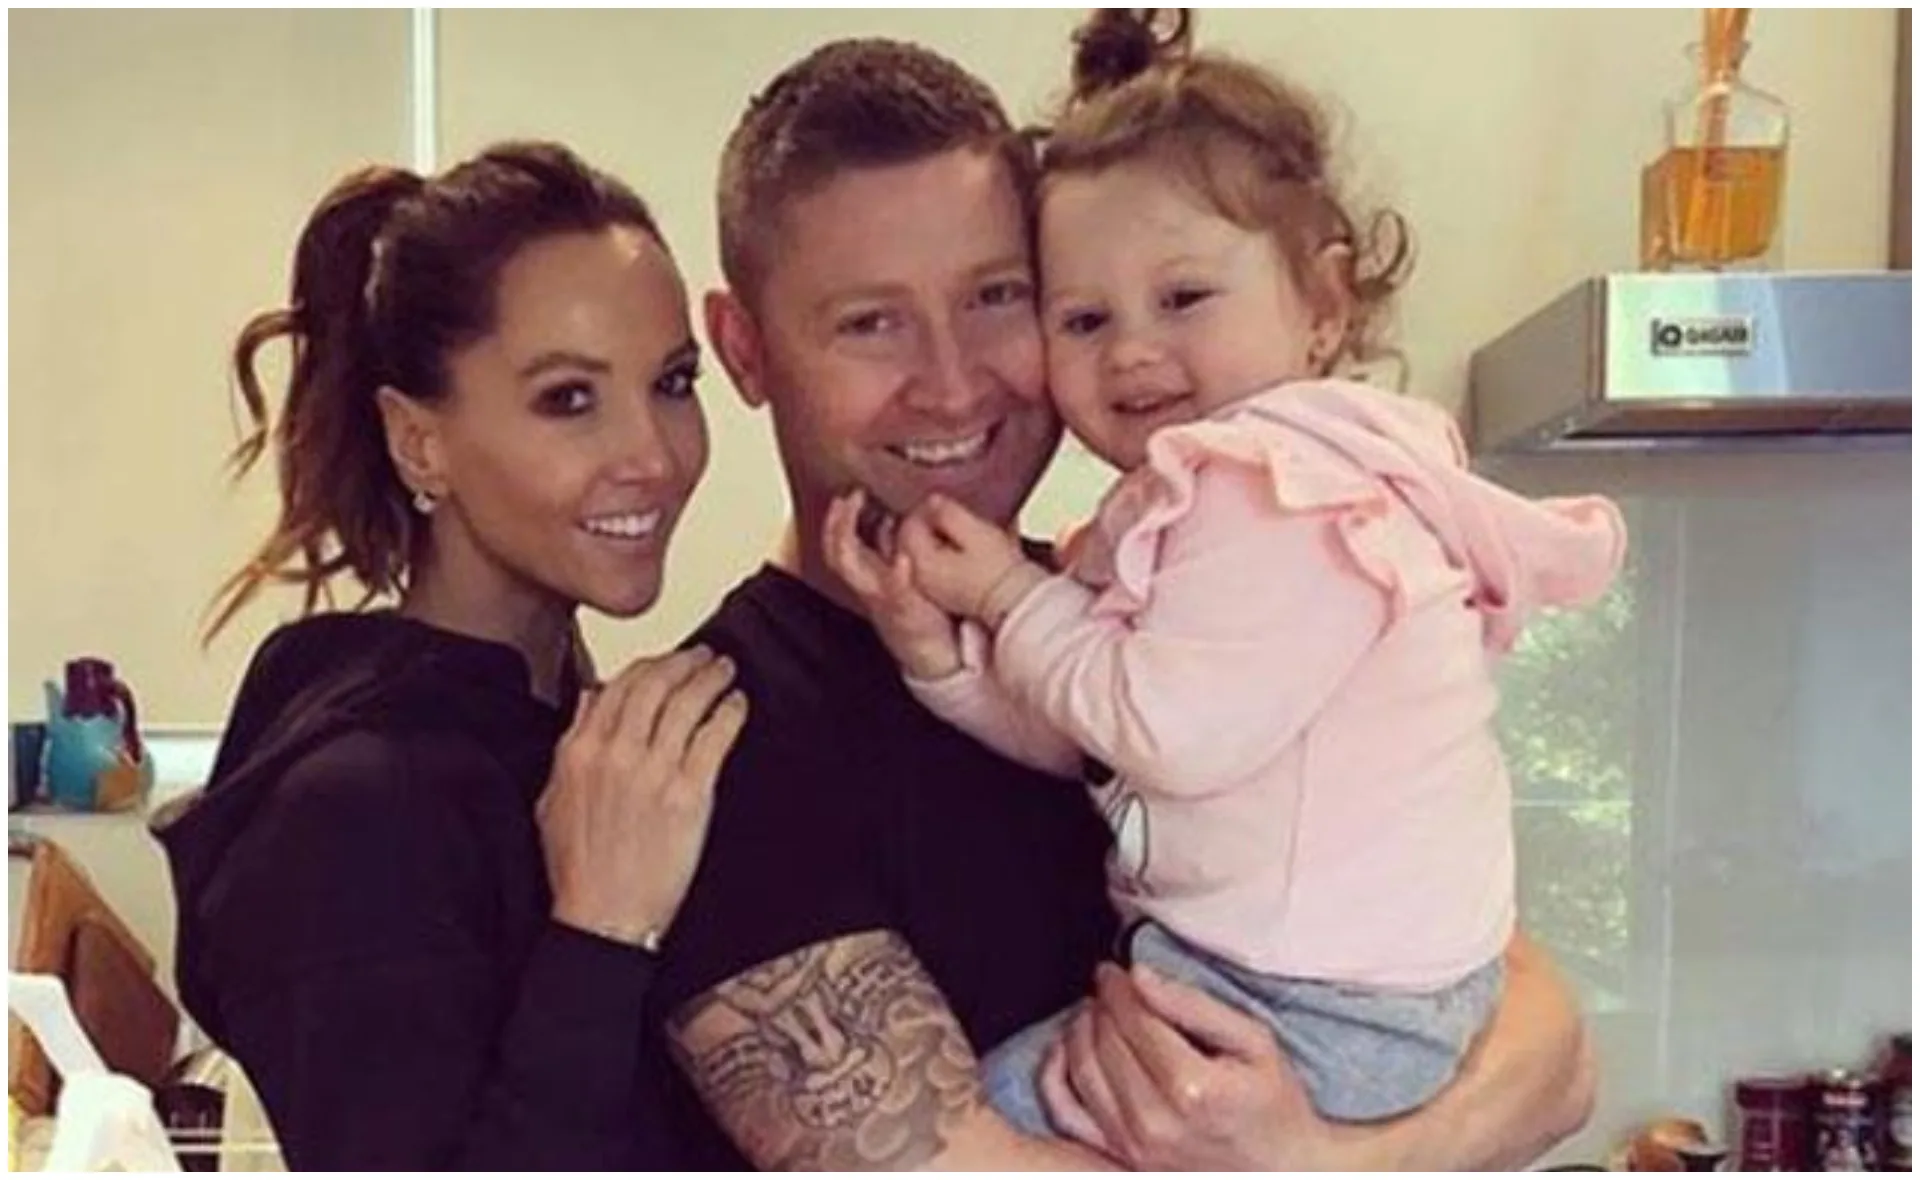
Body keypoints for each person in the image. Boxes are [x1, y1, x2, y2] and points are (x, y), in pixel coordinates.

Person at [640, 32, 1597, 1171]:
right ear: (744, 350)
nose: (952, 382)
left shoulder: (1183, 597)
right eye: (871, 321)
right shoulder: (710, 747)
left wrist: (1328, 1162)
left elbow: (1550, 1045)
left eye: (999, 298)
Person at [152, 141, 747, 1169]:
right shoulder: (353, 813)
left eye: (673, 381)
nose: (654, 454)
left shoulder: (551, 715)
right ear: (420, 442)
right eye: (568, 398)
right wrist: (602, 932)